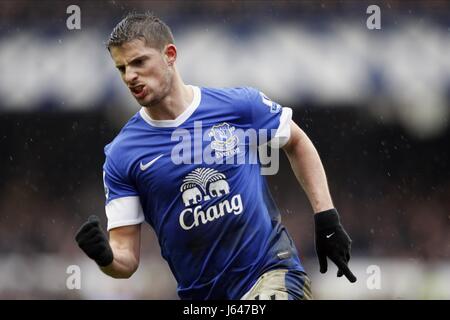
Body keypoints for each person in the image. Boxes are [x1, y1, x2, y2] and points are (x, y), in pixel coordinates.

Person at [75, 12, 356, 300]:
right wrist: (106, 257)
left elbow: (296, 141)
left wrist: (326, 218)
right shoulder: (122, 154)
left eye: (138, 62)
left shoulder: (239, 106)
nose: (130, 76)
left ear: (169, 55)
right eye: (121, 68)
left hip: (270, 273)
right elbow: (126, 259)